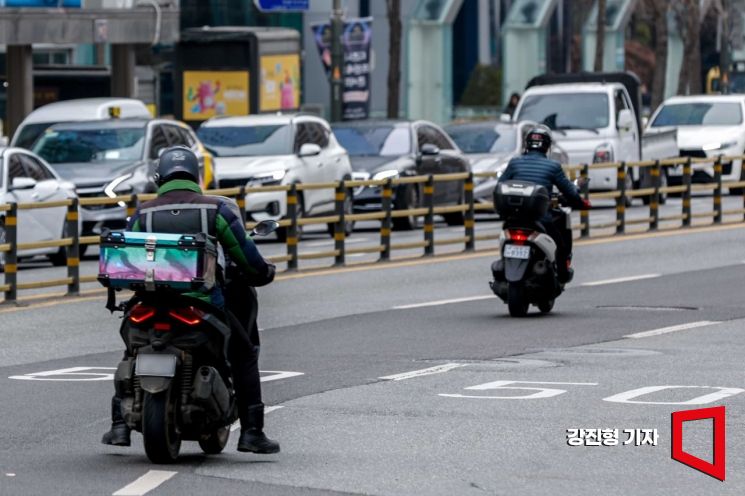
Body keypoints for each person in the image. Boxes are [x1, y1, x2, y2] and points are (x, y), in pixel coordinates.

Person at [101, 146, 280, 454]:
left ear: (161, 177)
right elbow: (247, 257)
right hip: (202, 305)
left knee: (131, 349)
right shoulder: (216, 211)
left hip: (148, 304)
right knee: (244, 354)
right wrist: (264, 272)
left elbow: (128, 258)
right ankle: (251, 432)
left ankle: (119, 425)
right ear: (196, 176)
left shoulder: (144, 213)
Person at [497, 126, 590, 283]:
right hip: (541, 219)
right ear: (547, 147)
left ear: (527, 145)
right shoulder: (552, 166)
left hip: (513, 219)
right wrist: (581, 203)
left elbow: (500, 185)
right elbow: (570, 192)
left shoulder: (514, 163)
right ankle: (562, 272)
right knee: (561, 245)